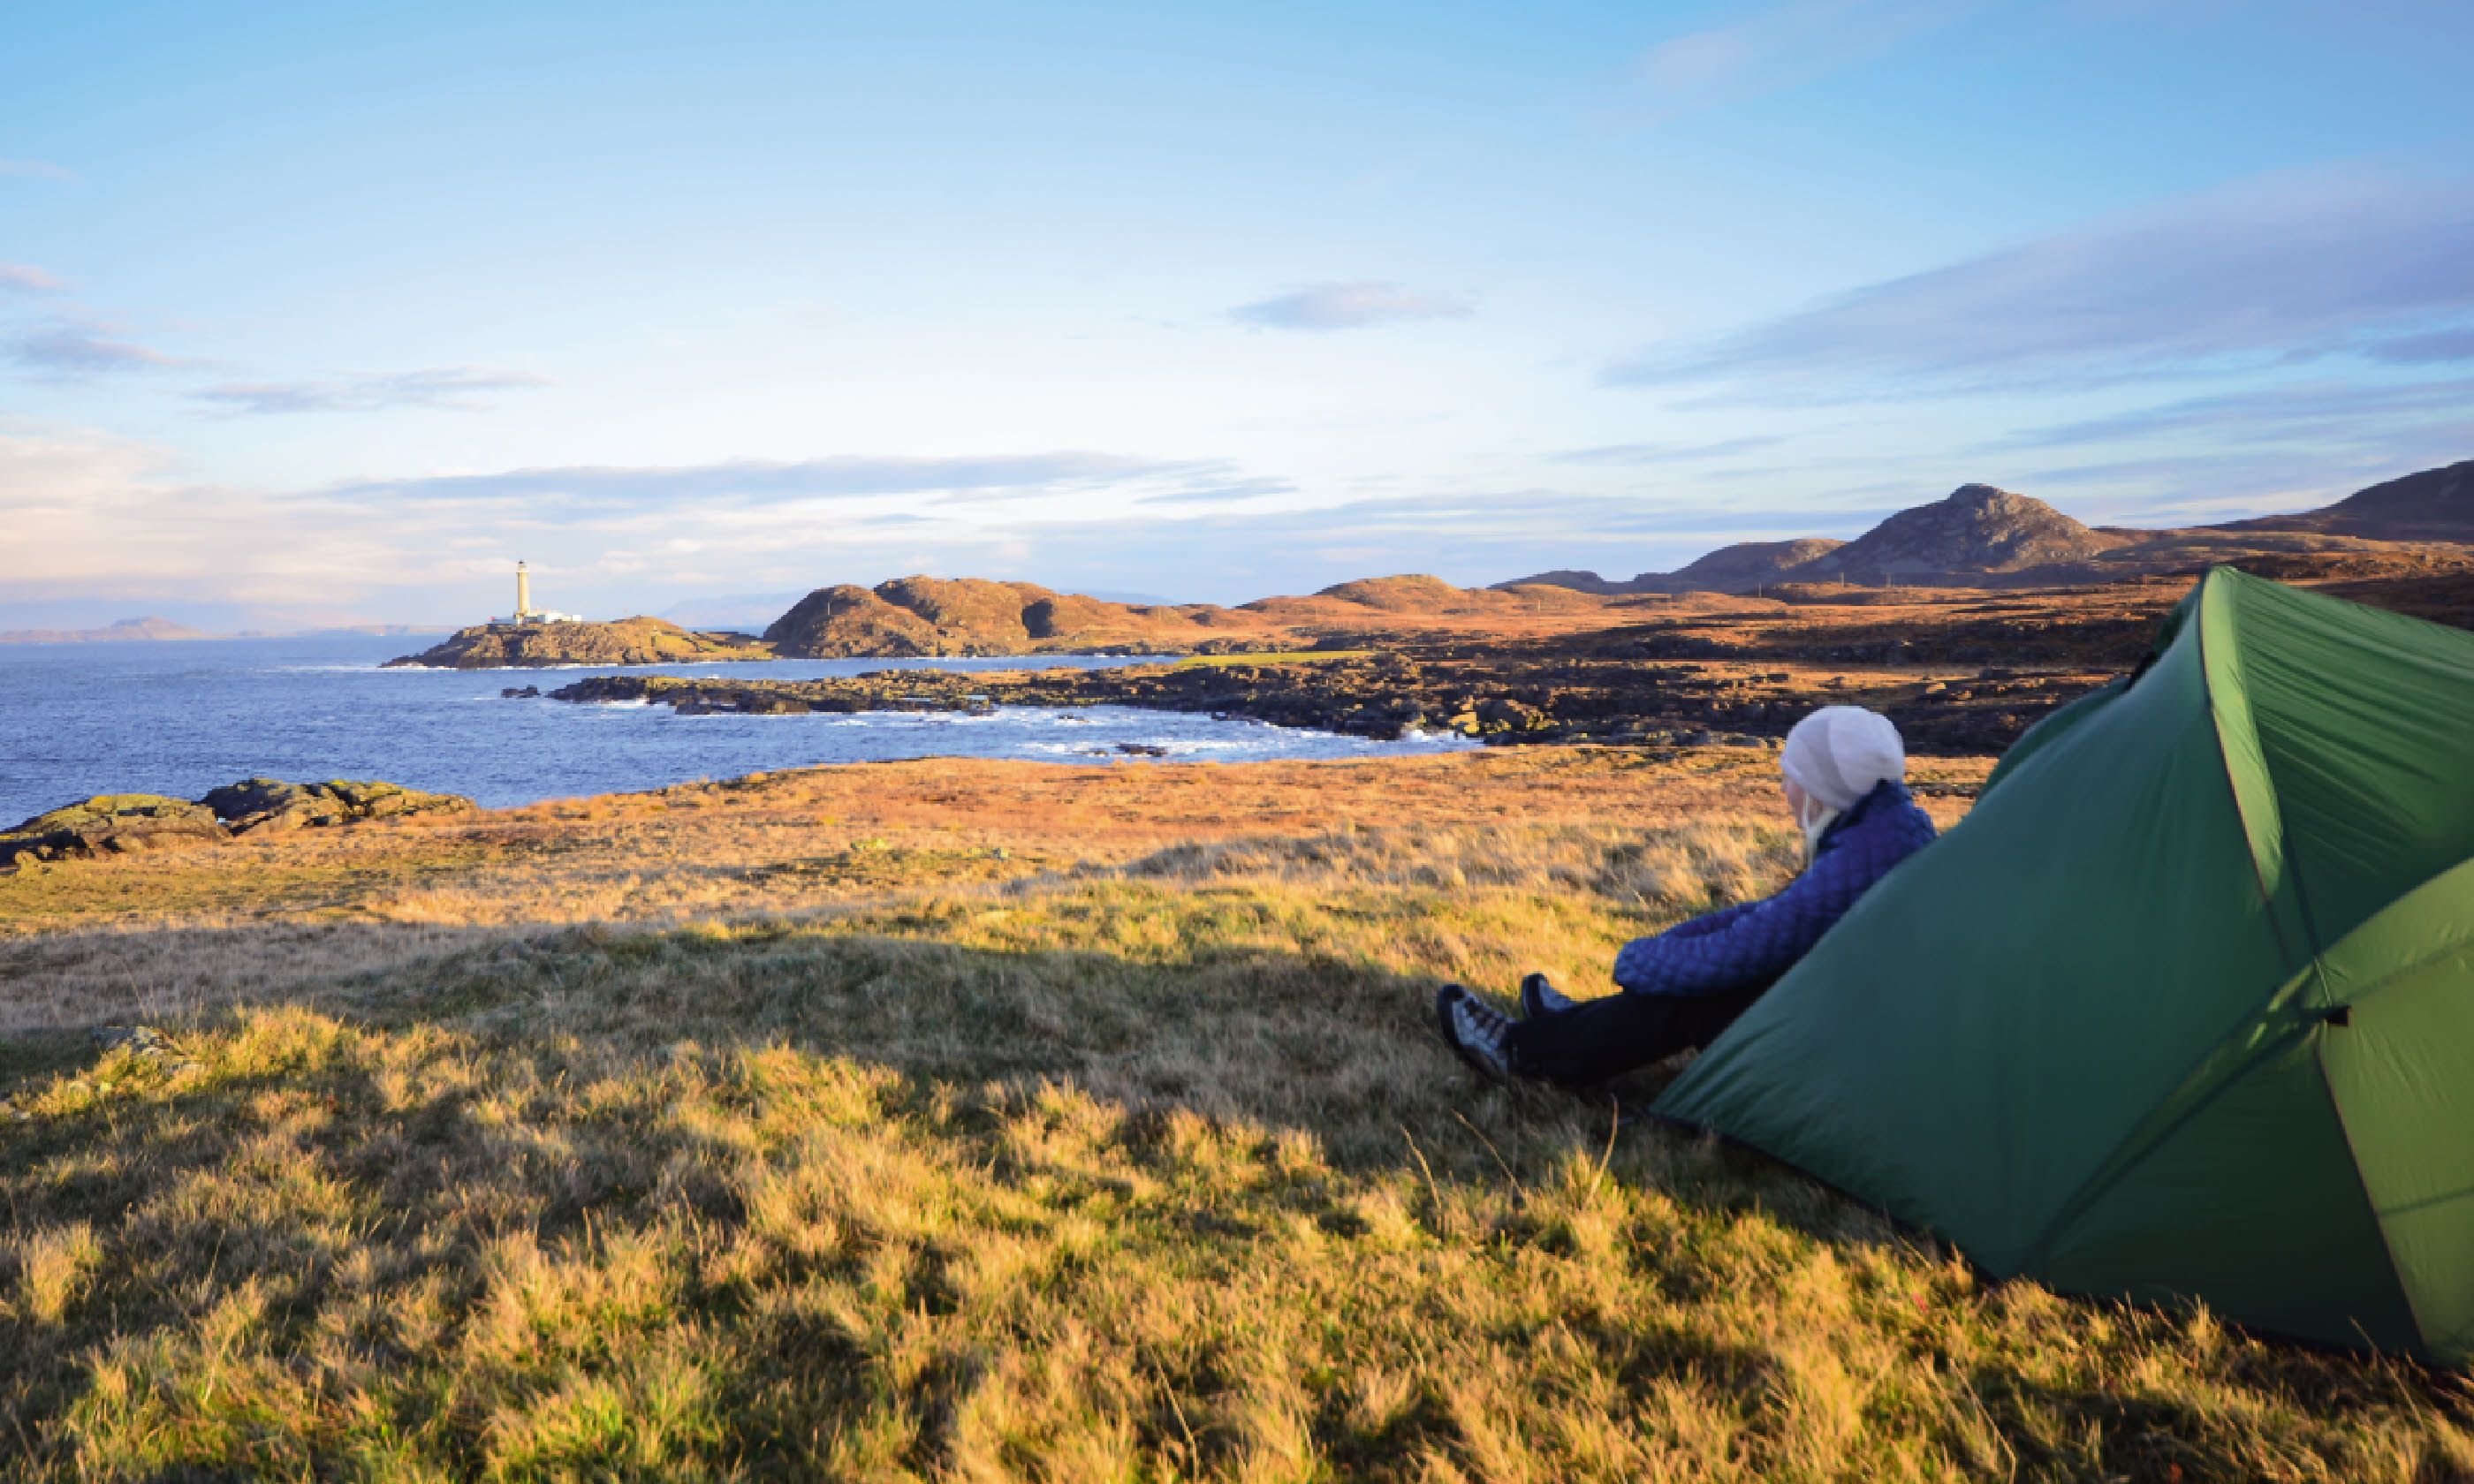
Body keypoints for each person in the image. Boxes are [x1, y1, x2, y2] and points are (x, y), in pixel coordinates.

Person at [1436, 705, 1938, 1087]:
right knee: (1694, 980)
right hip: (1860, 1026)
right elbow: (1774, 917)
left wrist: (1639, 961)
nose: (1785, 789)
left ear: (1825, 788)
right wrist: (1670, 947)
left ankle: (1523, 1053)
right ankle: (1572, 1026)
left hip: (1849, 1058)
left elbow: (1747, 948)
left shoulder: (1865, 855)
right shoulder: (1885, 832)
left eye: (1793, 776)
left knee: (1690, 998)